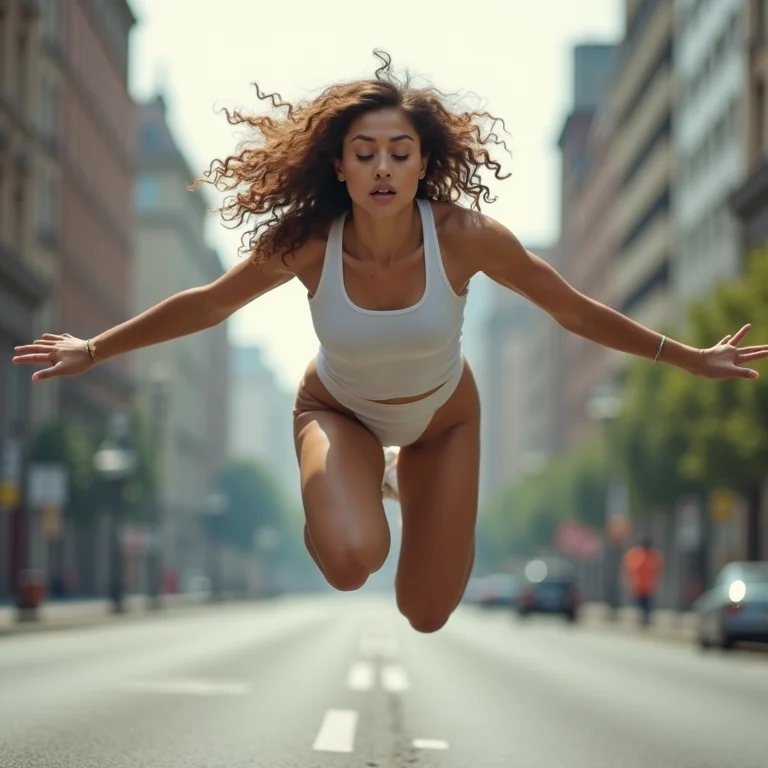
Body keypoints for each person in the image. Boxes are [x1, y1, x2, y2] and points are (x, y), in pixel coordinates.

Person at [11, 52, 768, 634]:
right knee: (349, 561)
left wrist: (689, 357)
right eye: (365, 152)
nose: (382, 167)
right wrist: (94, 348)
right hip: (337, 409)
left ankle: (402, 473)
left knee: (428, 611)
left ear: (424, 164)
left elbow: (571, 311)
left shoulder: (466, 238)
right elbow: (209, 304)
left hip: (444, 420)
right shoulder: (308, 242)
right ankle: (365, 475)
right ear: (339, 165)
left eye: (400, 152)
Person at [623, 536, 664, 626]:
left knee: (648, 604)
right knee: (640, 604)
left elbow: (658, 570)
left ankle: (646, 618)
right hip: (638, 586)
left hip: (649, 586)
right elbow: (629, 570)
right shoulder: (635, 554)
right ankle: (642, 618)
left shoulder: (654, 555)